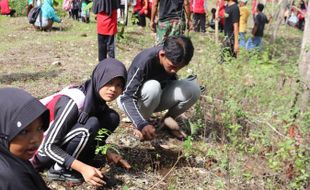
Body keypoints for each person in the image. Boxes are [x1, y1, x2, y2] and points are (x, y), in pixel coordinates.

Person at [31, 58, 131, 186]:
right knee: (90, 125)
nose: (113, 89)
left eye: (119, 85)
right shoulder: (74, 101)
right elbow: (48, 146)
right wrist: (83, 168)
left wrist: (107, 152)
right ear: (99, 78)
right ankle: (59, 169)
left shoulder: (97, 102)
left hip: (56, 147)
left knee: (111, 117)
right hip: (40, 152)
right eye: (109, 82)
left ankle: (81, 160)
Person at [117, 35, 201, 141]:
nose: (175, 71)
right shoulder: (145, 61)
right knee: (153, 87)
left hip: (155, 97)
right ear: (162, 55)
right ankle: (142, 123)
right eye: (172, 67)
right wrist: (140, 124)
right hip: (132, 101)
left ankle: (166, 121)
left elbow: (171, 81)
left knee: (194, 89)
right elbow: (126, 97)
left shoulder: (171, 61)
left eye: (180, 68)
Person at [0, 88, 50, 190]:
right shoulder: (13, 180)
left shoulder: (13, 159)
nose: (35, 139)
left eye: (40, 128)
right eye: (24, 132)